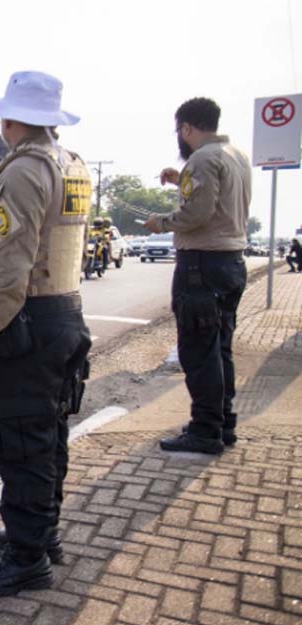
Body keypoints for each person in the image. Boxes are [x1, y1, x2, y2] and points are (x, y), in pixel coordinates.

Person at [0, 71, 92, 598]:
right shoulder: (70, 163)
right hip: (65, 312)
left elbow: (8, 272)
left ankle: (27, 558)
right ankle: (41, 533)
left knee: (20, 443)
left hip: (29, 321)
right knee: (48, 436)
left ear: (10, 120)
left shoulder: (23, 171)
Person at [144, 97, 252, 454]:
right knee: (219, 349)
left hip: (201, 267)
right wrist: (182, 182)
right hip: (230, 262)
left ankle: (205, 431)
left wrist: (160, 222)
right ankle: (223, 423)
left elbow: (197, 215)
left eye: (179, 130)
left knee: (198, 351)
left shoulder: (202, 159)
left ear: (186, 128)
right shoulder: (236, 155)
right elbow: (218, 201)